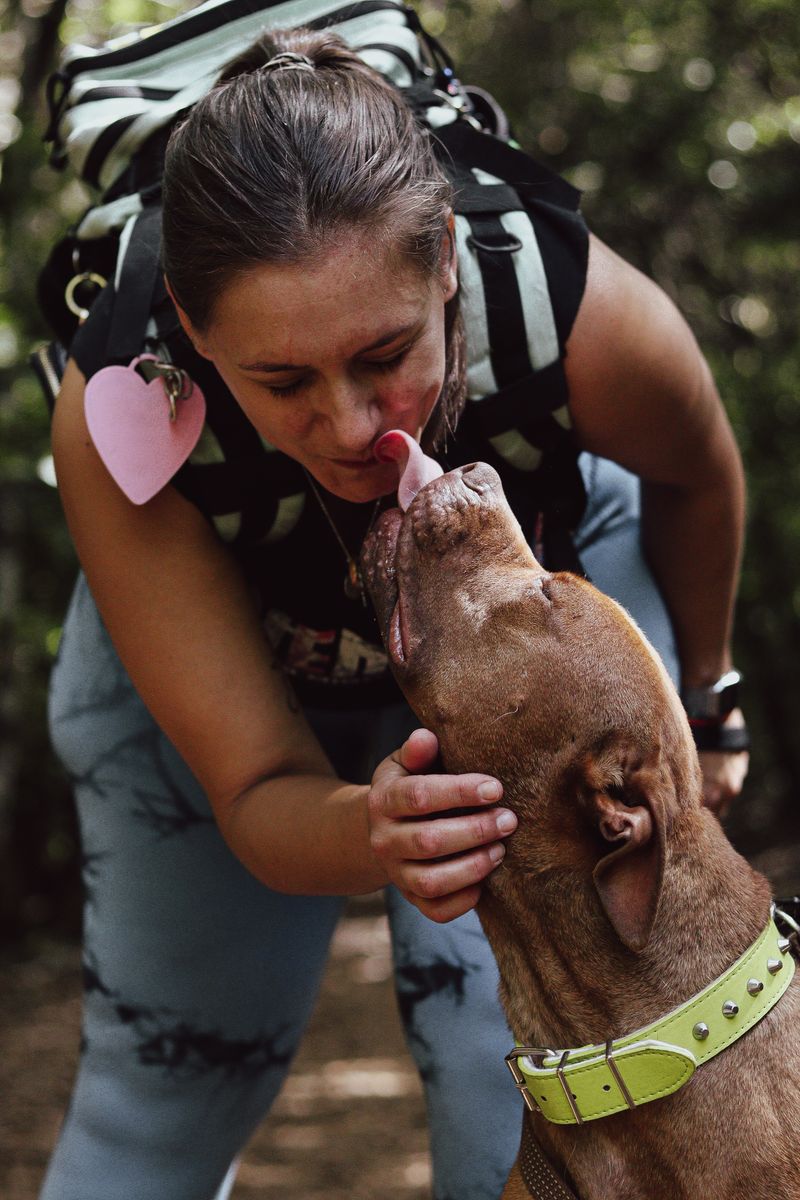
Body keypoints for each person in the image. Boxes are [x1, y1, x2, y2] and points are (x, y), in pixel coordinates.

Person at [42, 25, 748, 1200]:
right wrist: (375, 831)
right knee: (162, 1085)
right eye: (280, 382)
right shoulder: (118, 409)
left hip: (529, 629)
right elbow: (259, 793)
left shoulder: (566, 308)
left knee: (513, 1070)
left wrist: (707, 694)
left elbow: (695, 472)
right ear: (192, 322)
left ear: (445, 273)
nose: (352, 422)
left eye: (385, 354)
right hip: (246, 669)